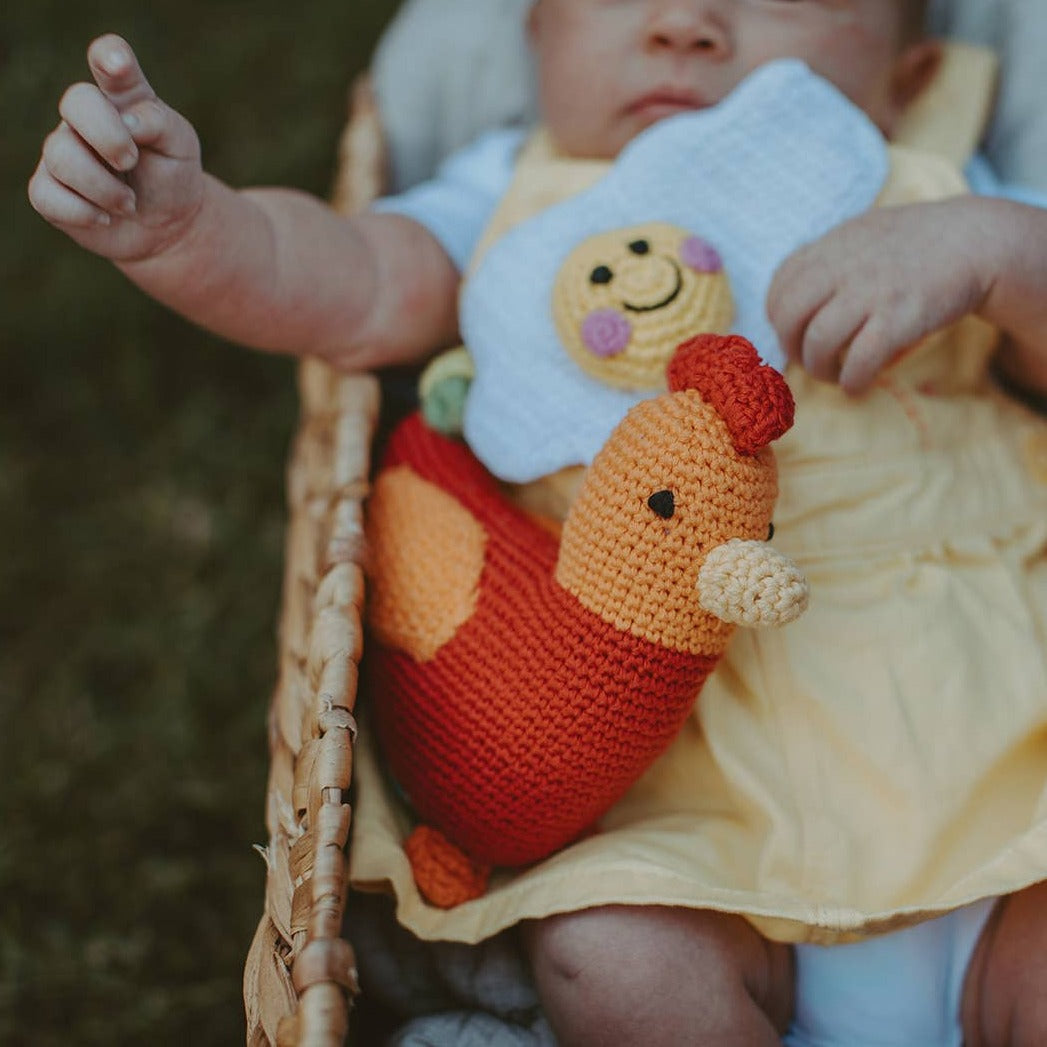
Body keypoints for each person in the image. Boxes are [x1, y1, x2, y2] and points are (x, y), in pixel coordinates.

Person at [28, 2, 1047, 1044]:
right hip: (688, 848)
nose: (685, 24)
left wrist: (1001, 252)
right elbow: (351, 282)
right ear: (535, 34)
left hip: (1005, 794)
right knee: (611, 954)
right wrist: (193, 230)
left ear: (908, 79)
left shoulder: (929, 184)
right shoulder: (512, 200)